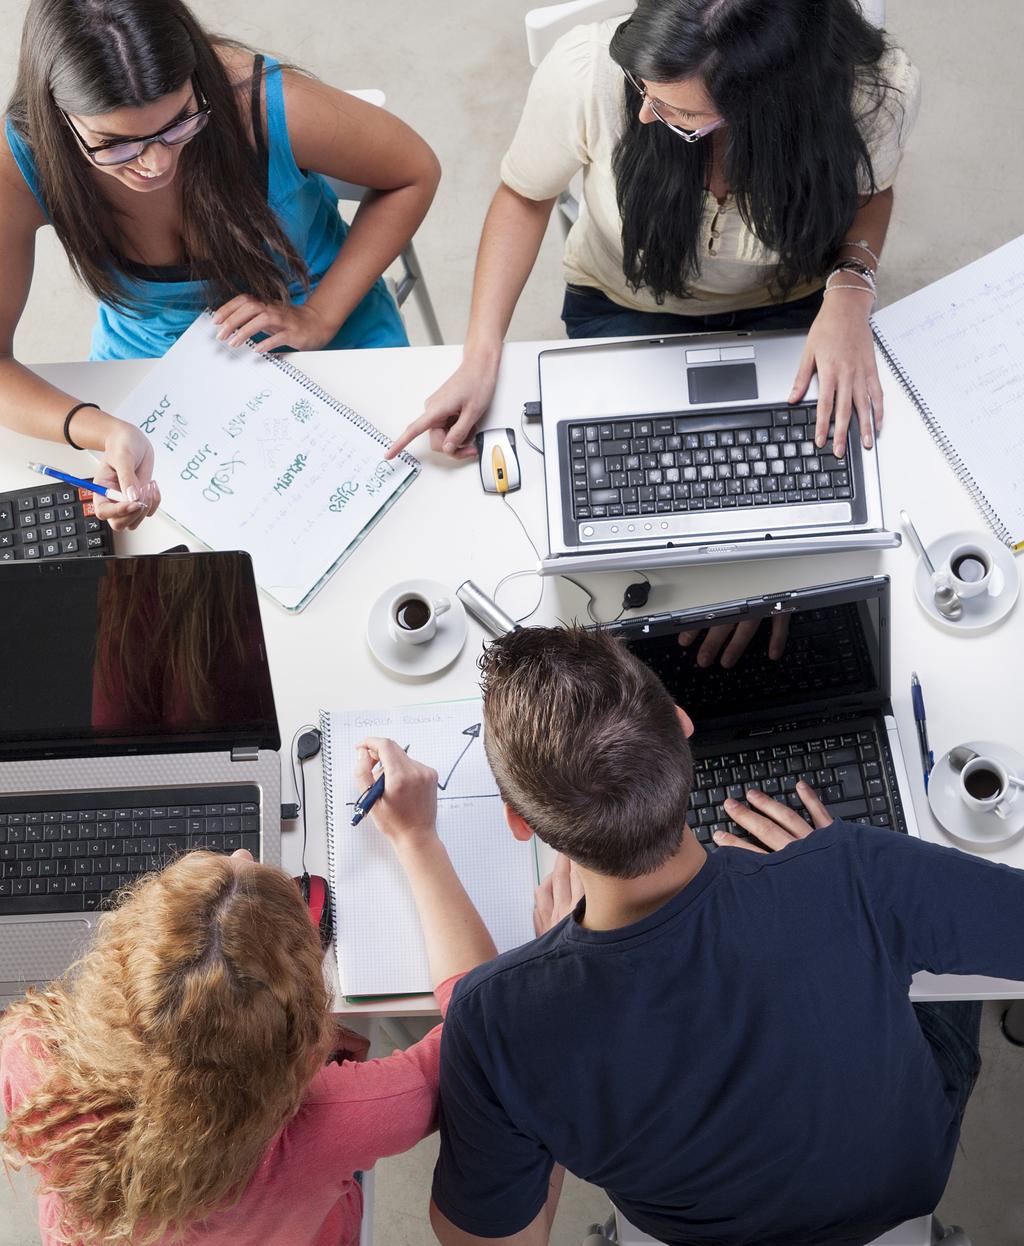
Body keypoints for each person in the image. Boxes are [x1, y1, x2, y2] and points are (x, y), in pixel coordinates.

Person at [428, 625, 1024, 1246]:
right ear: (684, 727)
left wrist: (550, 975)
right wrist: (818, 876)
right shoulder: (852, 870)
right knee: (933, 965)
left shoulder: (494, 1020)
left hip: (691, 1229)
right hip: (901, 1190)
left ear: (520, 823)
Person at [1, 744, 496, 1246]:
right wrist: (417, 836)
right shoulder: (341, 1120)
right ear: (306, 1031)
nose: (241, 854)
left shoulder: (31, 1055)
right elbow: (486, 1034)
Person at [389, 0, 920, 467]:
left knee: (820, 463)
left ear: (772, 107)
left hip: (800, 301)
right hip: (622, 303)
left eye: (682, 112)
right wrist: (481, 358)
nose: (644, 113)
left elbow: (869, 195)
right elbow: (524, 199)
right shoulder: (587, 72)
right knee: (624, 470)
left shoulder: (877, 94)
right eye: (643, 87)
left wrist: (850, 290)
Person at [1, 0, 440, 532]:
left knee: (406, 512)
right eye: (114, 146)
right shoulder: (19, 162)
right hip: (156, 371)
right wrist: (100, 430)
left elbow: (414, 172)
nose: (156, 164)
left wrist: (321, 315)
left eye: (180, 122)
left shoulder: (262, 102)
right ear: (57, 118)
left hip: (326, 326)